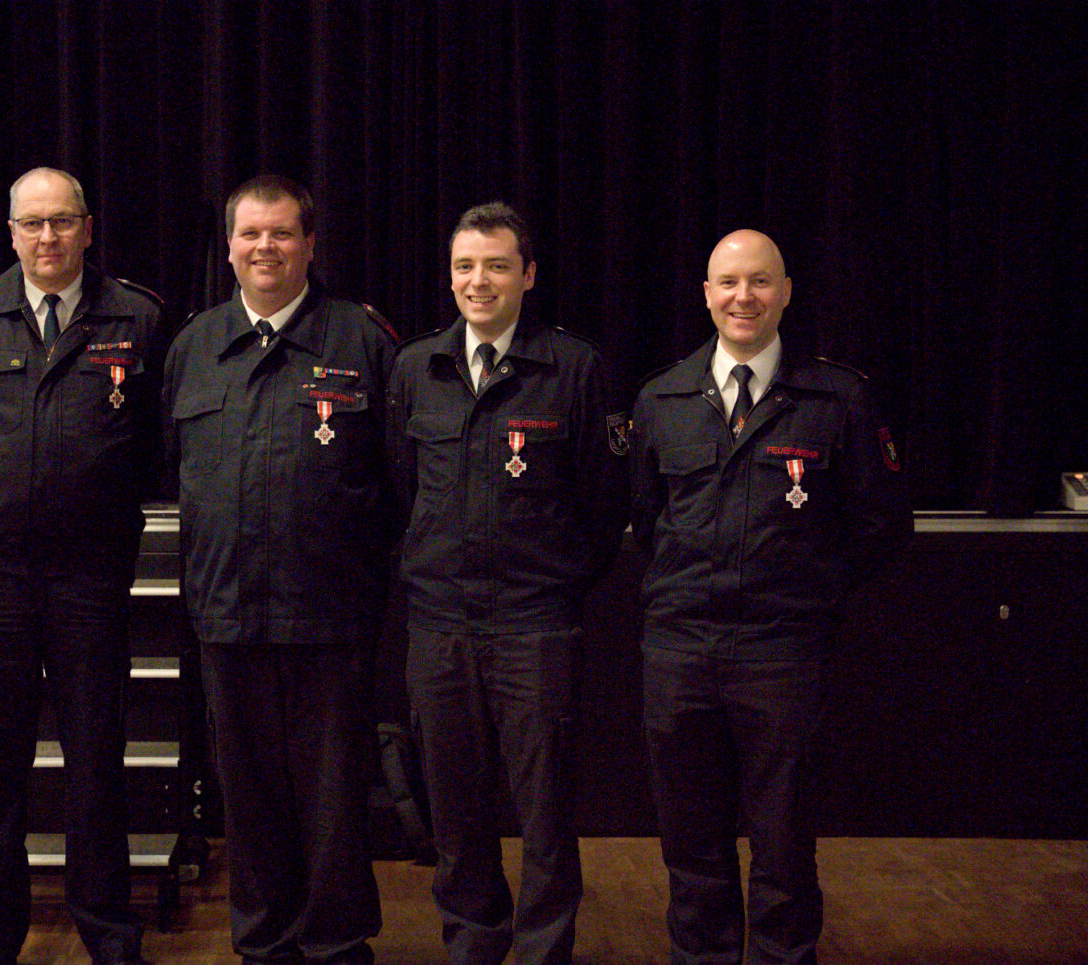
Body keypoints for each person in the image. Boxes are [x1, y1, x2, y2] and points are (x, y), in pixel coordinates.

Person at [629, 229, 912, 965]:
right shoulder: (662, 397)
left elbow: (881, 524)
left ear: (785, 291)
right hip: (680, 649)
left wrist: (810, 590)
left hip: (782, 651)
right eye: (728, 283)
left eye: (760, 282)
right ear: (706, 295)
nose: (743, 297)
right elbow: (642, 516)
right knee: (690, 839)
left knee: (784, 840)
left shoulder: (838, 398)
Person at [0, 166, 161, 965]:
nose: (48, 237)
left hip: (90, 574)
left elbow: (157, 445)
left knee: (98, 761)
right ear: (11, 232)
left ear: (89, 228)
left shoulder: (140, 317)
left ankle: (108, 929)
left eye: (63, 222)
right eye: (33, 224)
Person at [162, 175, 397, 965]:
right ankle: (263, 941)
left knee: (333, 798)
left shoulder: (362, 342)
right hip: (227, 613)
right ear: (228, 247)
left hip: (331, 615)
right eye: (251, 234)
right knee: (250, 794)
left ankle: (335, 943)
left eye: (282, 234)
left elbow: (401, 482)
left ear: (309, 244)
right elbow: (171, 468)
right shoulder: (194, 346)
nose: (266, 248)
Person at [386, 202, 629, 965]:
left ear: (527, 274)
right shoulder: (416, 367)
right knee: (455, 810)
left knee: (546, 811)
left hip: (535, 624)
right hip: (439, 624)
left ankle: (542, 951)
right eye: (465, 266)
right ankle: (472, 942)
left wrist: (553, 583)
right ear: (449, 276)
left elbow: (605, 503)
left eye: (495, 265)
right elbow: (399, 490)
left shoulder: (574, 369)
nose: (478, 280)